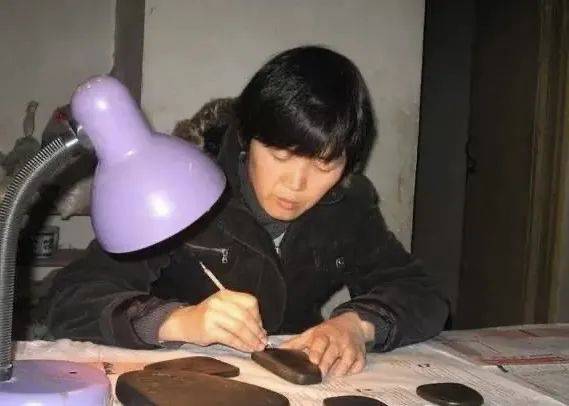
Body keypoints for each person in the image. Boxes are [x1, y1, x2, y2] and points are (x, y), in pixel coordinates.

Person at [45, 46, 449, 377]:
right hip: (179, 382)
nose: (296, 184)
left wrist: (357, 325)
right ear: (246, 137)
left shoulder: (346, 208)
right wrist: (177, 321)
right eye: (280, 155)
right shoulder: (181, 191)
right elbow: (71, 297)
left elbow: (421, 293)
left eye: (324, 164)